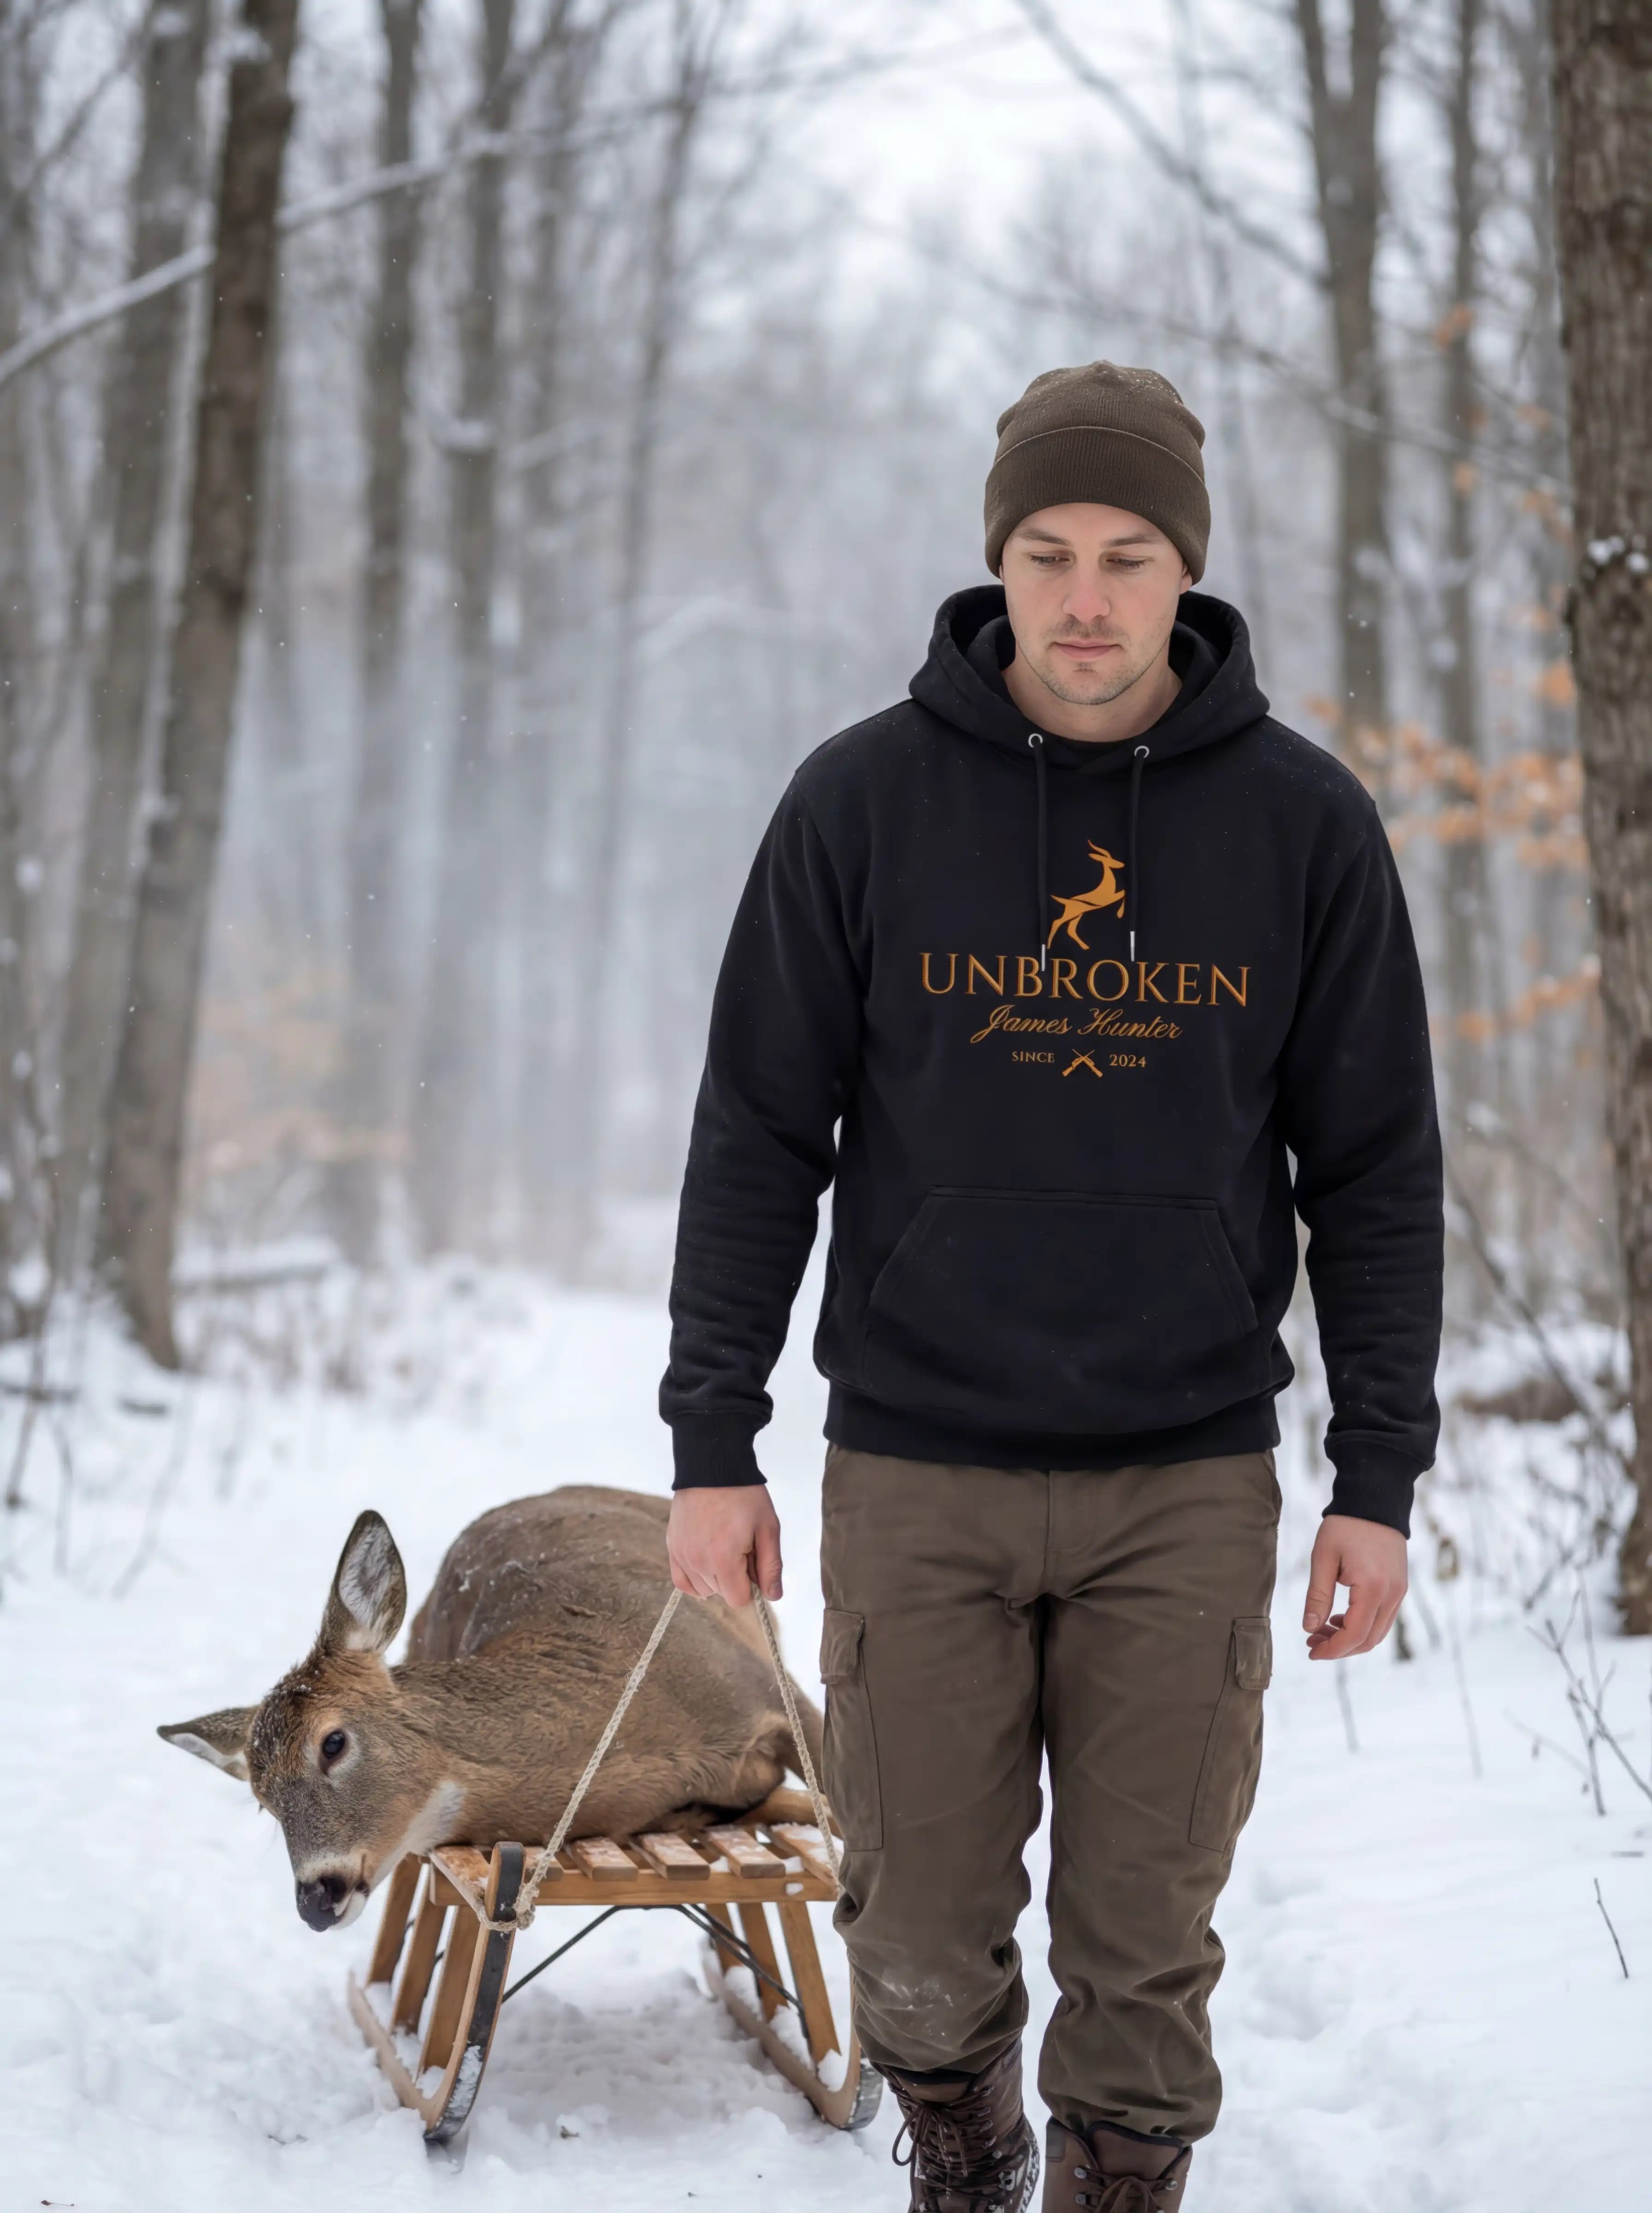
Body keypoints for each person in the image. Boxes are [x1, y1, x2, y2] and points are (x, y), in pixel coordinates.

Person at [660, 361, 1442, 2212]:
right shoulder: (857, 804)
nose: (1082, 598)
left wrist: (1377, 1481)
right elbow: (759, 1132)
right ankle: (959, 2147)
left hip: (1180, 1467)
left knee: (1143, 1922)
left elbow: (1375, 1175)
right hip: (917, 1456)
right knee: (912, 1915)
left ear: (1184, 572)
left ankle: (1112, 2177)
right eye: (1044, 553)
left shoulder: (1301, 826)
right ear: (993, 563)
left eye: (1123, 555)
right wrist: (713, 1438)